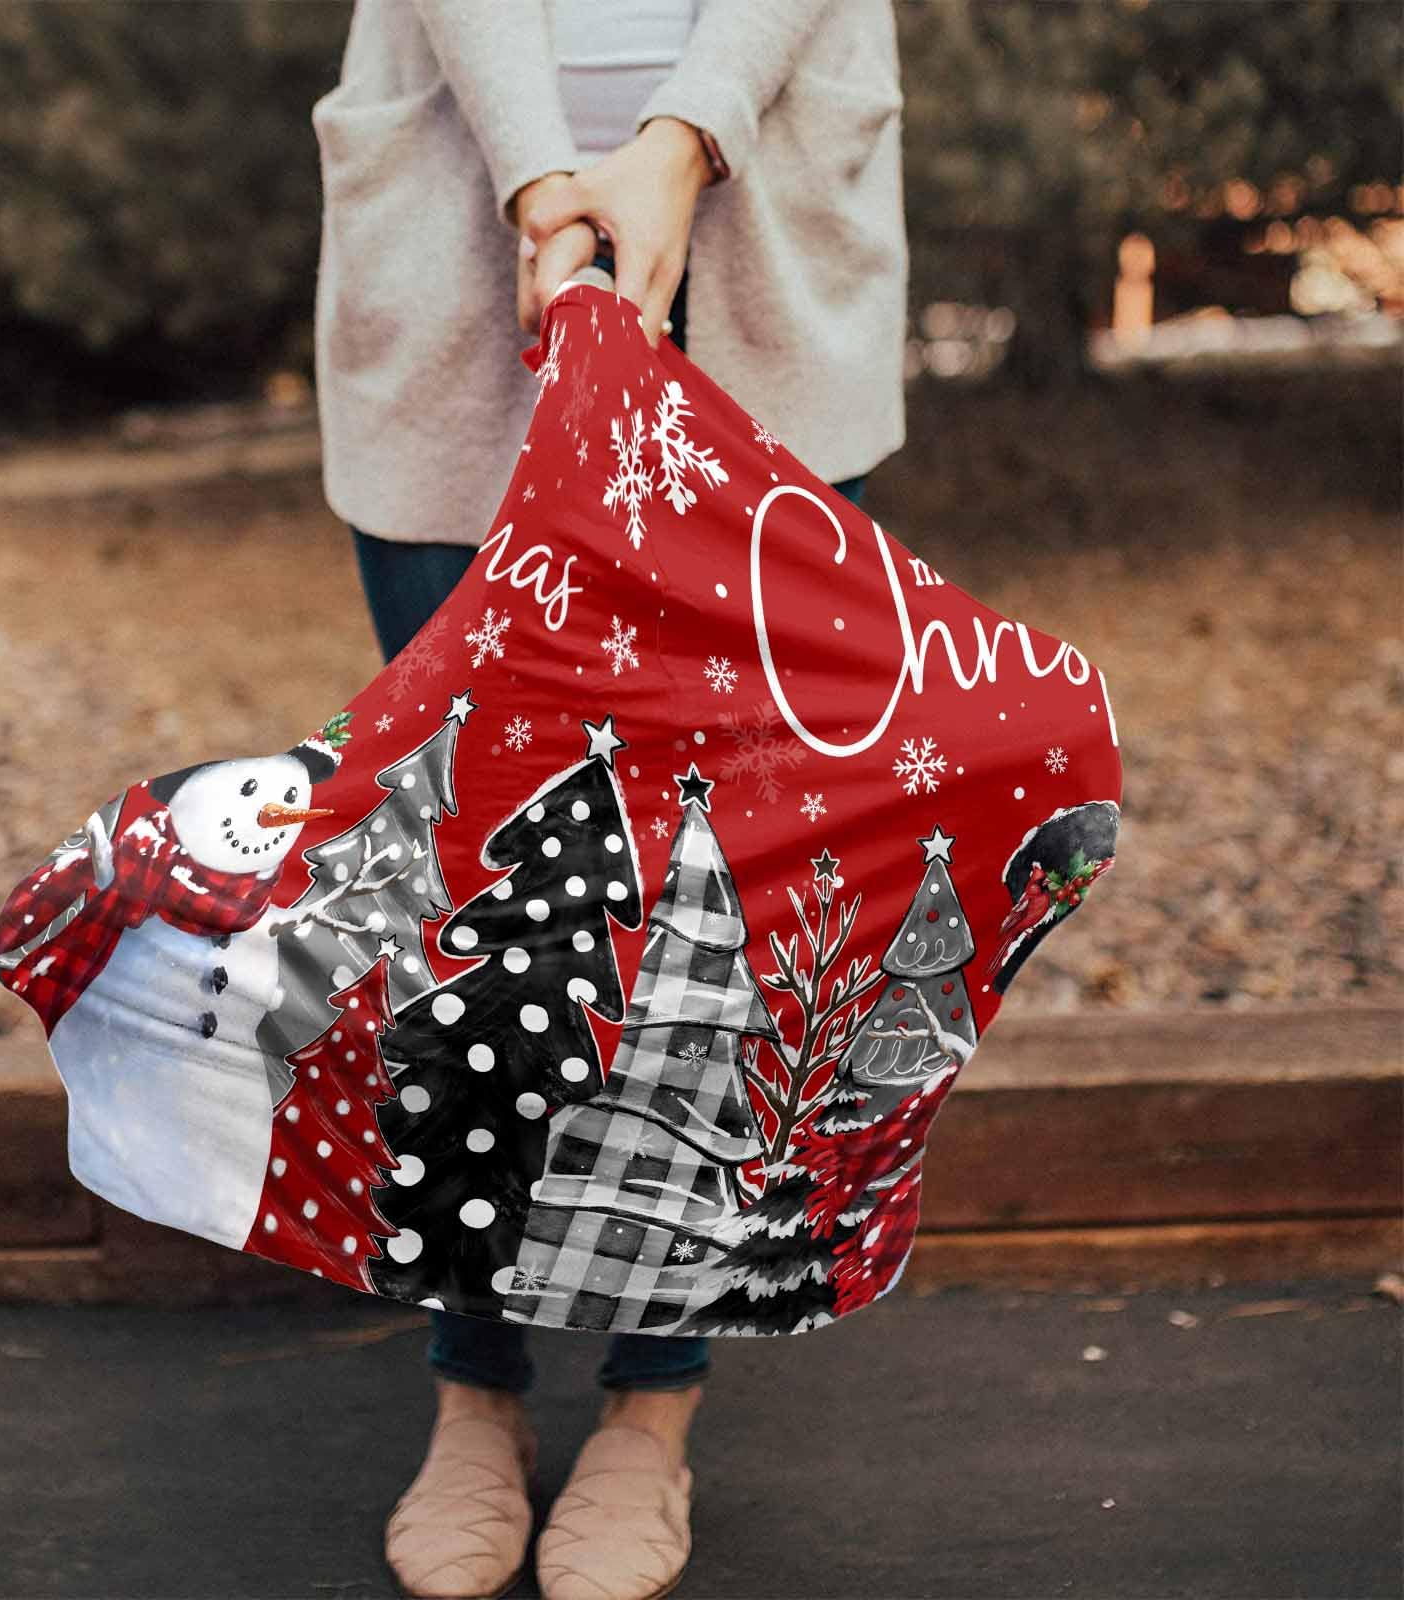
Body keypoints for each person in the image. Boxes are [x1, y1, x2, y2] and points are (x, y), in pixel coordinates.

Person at [310, 4, 907, 1596]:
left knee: (719, 882)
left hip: (761, 228)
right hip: (462, 226)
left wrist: (681, 136)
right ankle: (475, 1385)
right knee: (472, 879)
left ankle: (654, 1407)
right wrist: (537, 177)